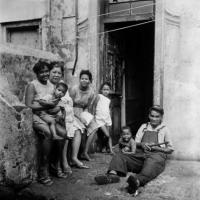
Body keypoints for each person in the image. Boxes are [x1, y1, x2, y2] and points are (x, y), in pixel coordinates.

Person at [94, 105, 174, 196]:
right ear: (149, 115)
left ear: (161, 117)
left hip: (156, 156)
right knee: (121, 155)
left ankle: (137, 182)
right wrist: (142, 144)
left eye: (157, 117)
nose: (154, 119)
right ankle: (112, 176)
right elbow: (136, 143)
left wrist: (156, 148)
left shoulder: (165, 129)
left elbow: (170, 149)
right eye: (152, 116)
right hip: (141, 154)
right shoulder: (144, 126)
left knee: (151, 164)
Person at [25, 61, 68, 185]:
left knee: (63, 133)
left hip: (48, 115)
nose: (44, 74)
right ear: (37, 73)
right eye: (41, 72)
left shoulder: (50, 85)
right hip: (35, 115)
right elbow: (28, 105)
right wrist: (45, 106)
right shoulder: (32, 85)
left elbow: (54, 101)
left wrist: (57, 109)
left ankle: (55, 165)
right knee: (49, 133)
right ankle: (43, 171)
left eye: (46, 71)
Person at [69, 70, 99, 166]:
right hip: (72, 111)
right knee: (78, 128)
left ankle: (84, 152)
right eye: (82, 78)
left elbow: (88, 105)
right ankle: (74, 157)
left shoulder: (91, 91)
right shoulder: (74, 89)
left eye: (86, 79)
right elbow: (69, 105)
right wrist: (79, 117)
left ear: (90, 80)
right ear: (80, 79)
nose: (84, 80)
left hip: (82, 111)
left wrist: (86, 115)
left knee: (95, 126)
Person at [94, 82, 113, 154]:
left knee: (108, 135)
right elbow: (94, 106)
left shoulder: (108, 100)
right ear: (101, 90)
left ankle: (110, 149)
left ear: (110, 90)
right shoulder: (99, 96)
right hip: (99, 119)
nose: (106, 91)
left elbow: (108, 109)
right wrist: (93, 116)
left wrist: (109, 117)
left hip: (106, 119)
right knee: (107, 135)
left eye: (107, 89)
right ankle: (106, 148)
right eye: (104, 89)